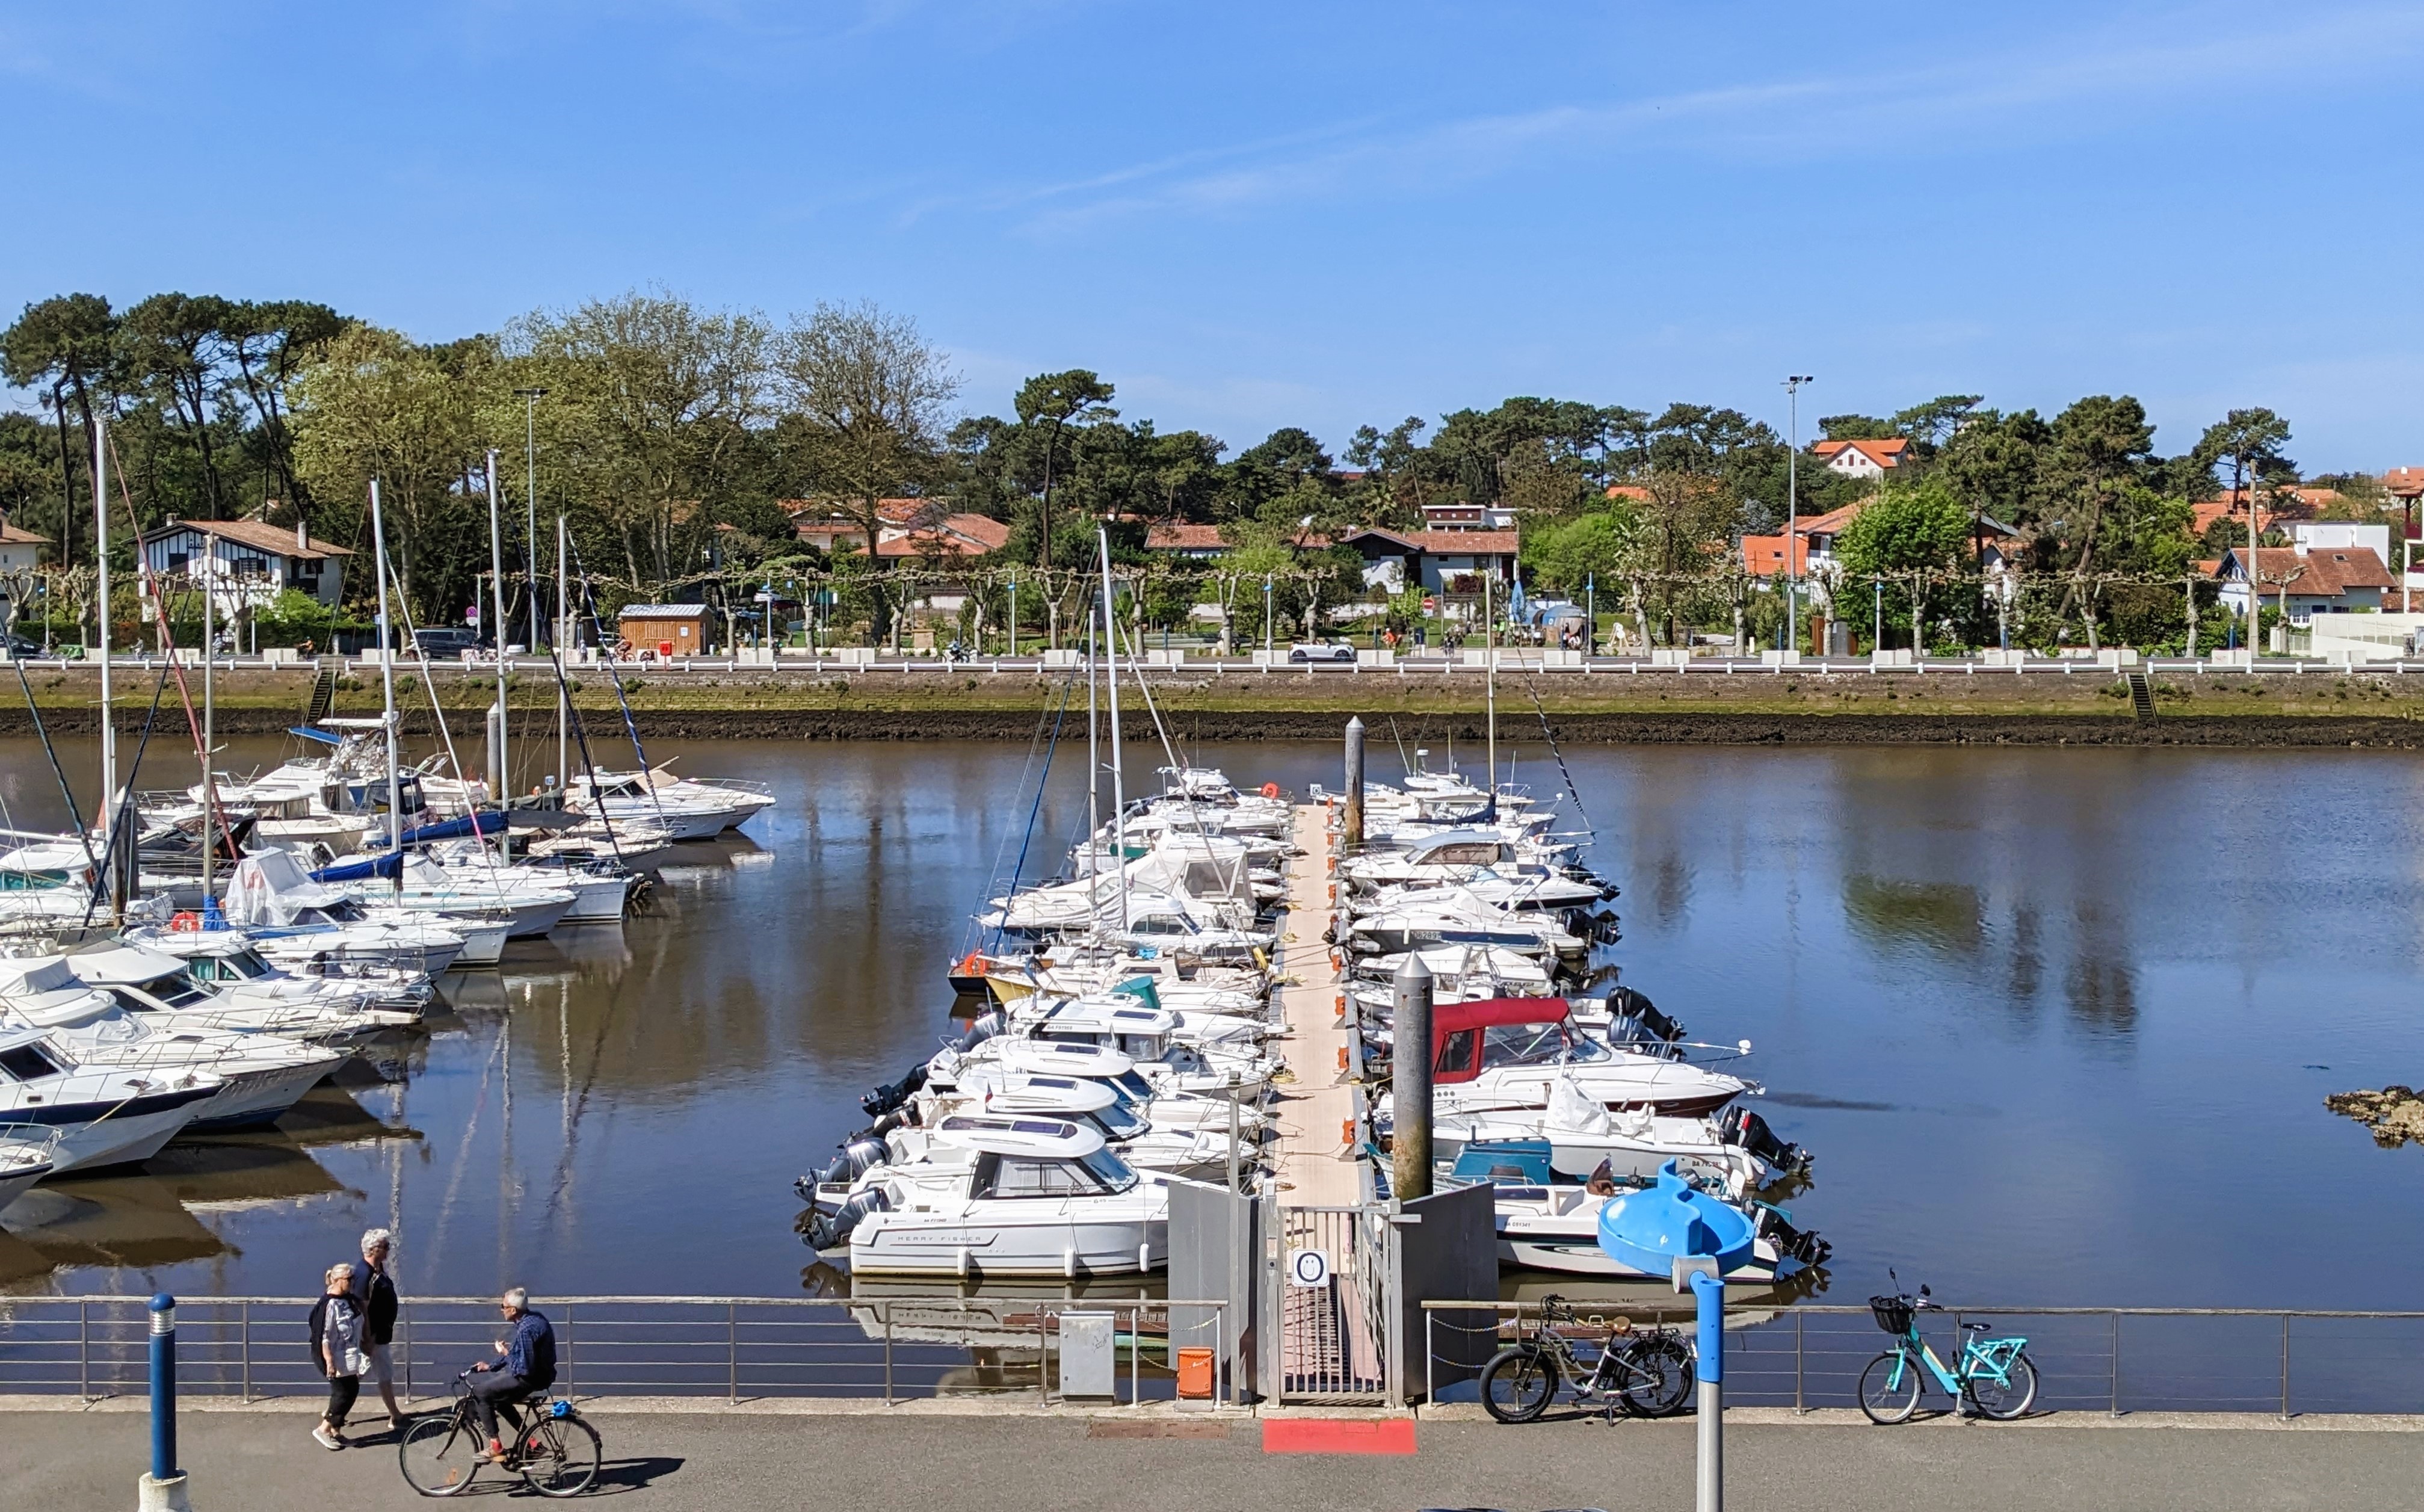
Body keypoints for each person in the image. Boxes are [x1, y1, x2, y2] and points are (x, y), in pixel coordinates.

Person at [467, 1288, 557, 1463]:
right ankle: (533, 1444)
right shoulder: (533, 1319)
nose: (501, 1310)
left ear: (513, 1310)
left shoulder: (526, 1330)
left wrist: (504, 1353)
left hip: (532, 1378)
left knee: (480, 1392)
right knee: (499, 1400)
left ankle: (495, 1446)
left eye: (503, 1306)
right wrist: (490, 1367)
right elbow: (518, 1353)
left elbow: (523, 1368)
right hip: (542, 1374)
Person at [348, 1228, 404, 1429]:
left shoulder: (376, 1269)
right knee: (384, 1374)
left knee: (357, 1374)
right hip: (374, 1337)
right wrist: (367, 1337)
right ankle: (395, 1416)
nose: (389, 1249)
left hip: (379, 1334)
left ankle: (334, 1413)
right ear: (374, 1249)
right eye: (386, 1246)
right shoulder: (365, 1274)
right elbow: (362, 1309)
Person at [308, 1262, 366, 1451]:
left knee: (351, 1389)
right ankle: (324, 1429)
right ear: (337, 1280)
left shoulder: (348, 1299)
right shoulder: (329, 1304)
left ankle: (336, 1432)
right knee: (342, 1392)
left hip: (347, 1355)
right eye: (349, 1279)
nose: (352, 1282)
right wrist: (329, 1362)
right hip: (331, 1357)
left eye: (353, 1278)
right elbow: (324, 1336)